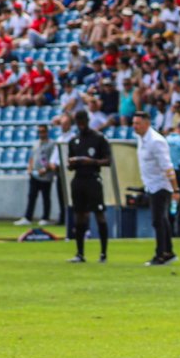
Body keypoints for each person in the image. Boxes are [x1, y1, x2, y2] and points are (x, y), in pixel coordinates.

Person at [132, 111, 178, 266]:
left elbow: (167, 166)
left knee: (158, 221)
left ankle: (161, 254)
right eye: (134, 123)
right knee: (162, 220)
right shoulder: (141, 138)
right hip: (151, 184)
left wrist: (175, 189)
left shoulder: (156, 141)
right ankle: (168, 251)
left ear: (146, 124)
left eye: (138, 123)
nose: (135, 126)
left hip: (160, 184)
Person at [66, 109, 111, 264]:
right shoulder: (73, 141)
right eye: (78, 123)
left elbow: (108, 161)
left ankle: (103, 253)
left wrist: (90, 162)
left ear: (87, 120)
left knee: (99, 214)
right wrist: (72, 164)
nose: (81, 125)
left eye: (83, 122)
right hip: (78, 180)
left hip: (93, 180)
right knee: (79, 215)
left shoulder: (98, 138)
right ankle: (80, 253)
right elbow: (69, 164)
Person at [16, 124, 59, 226]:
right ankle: (28, 217)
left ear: (47, 132)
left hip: (46, 175)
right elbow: (32, 157)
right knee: (31, 196)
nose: (41, 134)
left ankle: (45, 217)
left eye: (43, 131)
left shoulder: (52, 144)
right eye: (39, 132)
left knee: (46, 197)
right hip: (35, 174)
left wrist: (46, 169)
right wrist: (30, 168)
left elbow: (53, 159)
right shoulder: (36, 144)